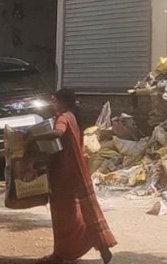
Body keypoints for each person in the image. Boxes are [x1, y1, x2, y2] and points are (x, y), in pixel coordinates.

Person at [32, 88, 116, 264]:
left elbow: (58, 133)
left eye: (55, 101)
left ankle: (62, 252)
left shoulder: (63, 118)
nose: (54, 104)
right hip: (75, 169)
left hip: (64, 172)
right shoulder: (72, 116)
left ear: (63, 101)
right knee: (82, 208)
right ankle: (100, 244)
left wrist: (33, 136)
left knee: (63, 213)